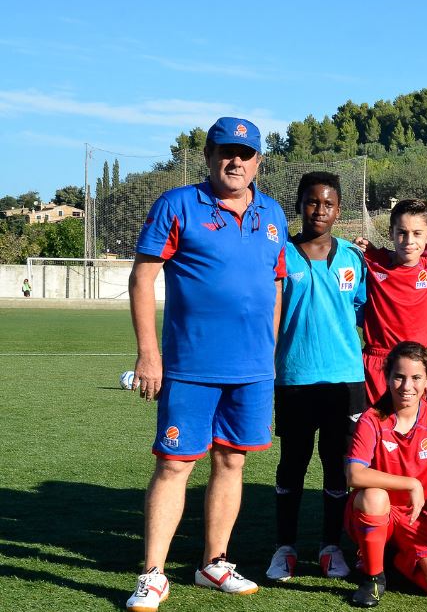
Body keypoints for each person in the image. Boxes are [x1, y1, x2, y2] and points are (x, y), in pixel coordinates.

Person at [125, 117, 288, 611]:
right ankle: (153, 574)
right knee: (175, 464)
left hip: (252, 371)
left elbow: (275, 284)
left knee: (232, 461)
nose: (235, 161)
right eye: (225, 151)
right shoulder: (177, 204)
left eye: (245, 153)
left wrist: (268, 354)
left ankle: (213, 563)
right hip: (190, 366)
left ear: (258, 160)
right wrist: (149, 354)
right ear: (209, 156)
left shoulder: (273, 213)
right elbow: (142, 278)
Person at [266, 171, 367, 583]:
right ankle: (284, 548)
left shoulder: (353, 258)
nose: (319, 210)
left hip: (345, 380)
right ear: (299, 205)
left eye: (328, 203)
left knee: (337, 465)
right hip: (295, 377)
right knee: (292, 463)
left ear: (338, 210)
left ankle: (330, 547)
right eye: (312, 202)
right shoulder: (281, 256)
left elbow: (361, 311)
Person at [344, 341, 427, 607]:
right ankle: (373, 578)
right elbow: (354, 475)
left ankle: (393, 559)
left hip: (415, 517)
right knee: (374, 497)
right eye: (399, 377)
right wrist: (411, 483)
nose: (407, 386)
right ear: (387, 377)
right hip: (375, 512)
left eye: (416, 378)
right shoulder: (372, 418)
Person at [359, 199, 427, 404]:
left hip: (416, 363)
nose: (409, 241)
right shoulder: (372, 262)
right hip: (378, 362)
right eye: (402, 232)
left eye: (417, 233)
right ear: (391, 233)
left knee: (413, 423)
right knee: (375, 421)